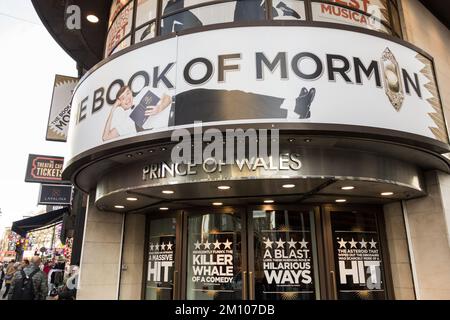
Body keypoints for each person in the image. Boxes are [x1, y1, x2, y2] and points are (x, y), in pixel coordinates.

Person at [103, 85, 172, 141]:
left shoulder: (145, 91)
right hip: (170, 133)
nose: (127, 98)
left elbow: (167, 97)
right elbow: (106, 137)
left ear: (131, 92)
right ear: (119, 103)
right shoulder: (125, 123)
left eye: (128, 93)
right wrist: (113, 109)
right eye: (123, 98)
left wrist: (160, 108)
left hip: (176, 107)